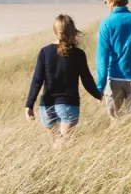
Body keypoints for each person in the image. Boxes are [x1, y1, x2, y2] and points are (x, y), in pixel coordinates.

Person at [25, 14, 101, 144]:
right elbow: (86, 78)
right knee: (65, 143)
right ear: (72, 30)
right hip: (68, 104)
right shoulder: (78, 54)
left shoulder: (45, 52)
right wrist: (97, 94)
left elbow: (37, 80)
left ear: (55, 31)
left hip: (46, 106)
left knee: (57, 142)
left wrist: (29, 105)